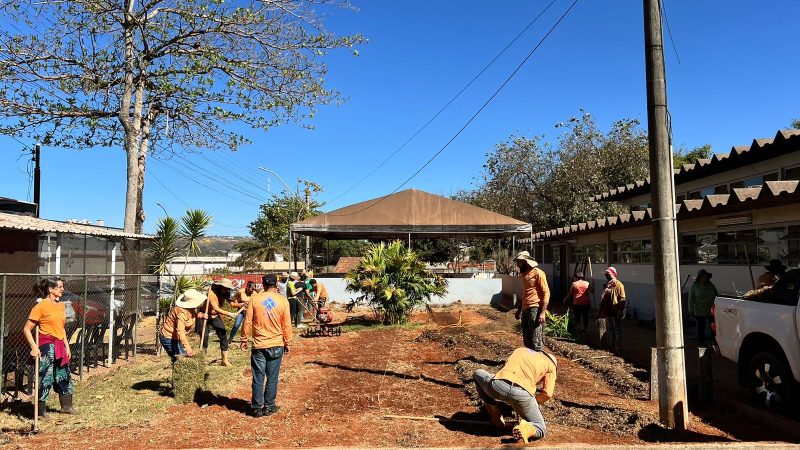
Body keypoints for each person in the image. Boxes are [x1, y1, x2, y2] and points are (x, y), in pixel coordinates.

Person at [473, 347, 557, 443]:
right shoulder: (551, 365)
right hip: (523, 395)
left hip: (498, 386)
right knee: (540, 428)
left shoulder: (521, 350)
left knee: (477, 374)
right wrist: (532, 404)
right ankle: (525, 429)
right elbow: (547, 394)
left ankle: (496, 419)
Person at [23, 277, 77, 418]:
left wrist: (67, 346)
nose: (62, 289)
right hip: (46, 346)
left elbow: (62, 328)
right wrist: (34, 347)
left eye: (62, 287)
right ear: (50, 289)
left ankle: (66, 407)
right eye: (59, 287)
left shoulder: (60, 306)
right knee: (45, 377)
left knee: (64, 375)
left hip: (59, 345)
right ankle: (41, 412)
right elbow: (27, 329)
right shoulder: (40, 306)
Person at [241, 273, 292, 417]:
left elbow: (247, 321)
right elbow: (286, 324)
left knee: (258, 376)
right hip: (276, 344)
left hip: (259, 345)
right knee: (272, 376)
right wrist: (287, 342)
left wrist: (244, 339)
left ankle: (256, 408)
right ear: (276, 285)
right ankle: (269, 406)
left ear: (263, 285)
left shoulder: (255, 299)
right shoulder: (283, 301)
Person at [513, 251, 550, 351]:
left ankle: (539, 361)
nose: (517, 264)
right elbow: (525, 293)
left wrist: (542, 313)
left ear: (525, 261)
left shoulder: (538, 273)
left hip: (535, 308)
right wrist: (519, 310)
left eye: (519, 262)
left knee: (536, 338)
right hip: (525, 309)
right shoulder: (524, 274)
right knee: (527, 338)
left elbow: (546, 292)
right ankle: (530, 360)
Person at [159, 288, 207, 361]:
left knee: (181, 361)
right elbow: (180, 332)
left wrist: (201, 315)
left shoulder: (190, 309)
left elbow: (191, 315)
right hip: (168, 338)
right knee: (181, 360)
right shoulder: (181, 314)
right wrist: (188, 348)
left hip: (176, 338)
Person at [198, 278, 238, 366]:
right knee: (204, 338)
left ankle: (224, 360)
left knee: (223, 335)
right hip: (204, 314)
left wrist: (242, 304)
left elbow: (232, 304)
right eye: (226, 288)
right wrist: (229, 314)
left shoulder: (226, 293)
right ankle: (201, 360)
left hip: (215, 315)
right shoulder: (211, 293)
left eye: (229, 288)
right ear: (221, 287)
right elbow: (216, 308)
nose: (228, 290)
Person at [598, 267, 626, 352]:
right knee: (610, 330)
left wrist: (620, 310)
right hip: (608, 311)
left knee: (617, 330)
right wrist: (601, 310)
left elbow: (622, 298)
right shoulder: (607, 284)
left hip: (615, 311)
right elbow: (603, 299)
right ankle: (612, 346)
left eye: (609, 274)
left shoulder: (618, 284)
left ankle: (617, 348)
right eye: (606, 274)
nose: (607, 276)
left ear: (613, 274)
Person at [688, 269, 718, 346]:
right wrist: (690, 310)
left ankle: (713, 341)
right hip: (699, 310)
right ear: (699, 277)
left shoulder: (710, 285)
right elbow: (691, 298)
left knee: (713, 327)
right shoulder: (695, 286)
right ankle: (701, 343)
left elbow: (716, 295)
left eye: (705, 276)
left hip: (711, 310)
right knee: (701, 327)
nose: (704, 277)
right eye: (703, 276)